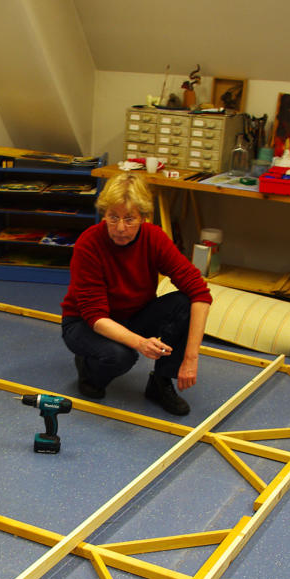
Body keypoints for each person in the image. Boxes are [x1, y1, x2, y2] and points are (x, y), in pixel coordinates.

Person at [60, 171, 212, 416]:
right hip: (84, 323)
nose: (120, 228)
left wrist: (191, 358)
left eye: (129, 219)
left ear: (143, 217)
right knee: (121, 357)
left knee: (183, 303)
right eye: (113, 217)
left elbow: (200, 294)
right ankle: (88, 368)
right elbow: (95, 316)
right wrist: (140, 343)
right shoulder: (89, 244)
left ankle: (160, 382)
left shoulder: (154, 238)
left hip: (132, 315)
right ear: (104, 214)